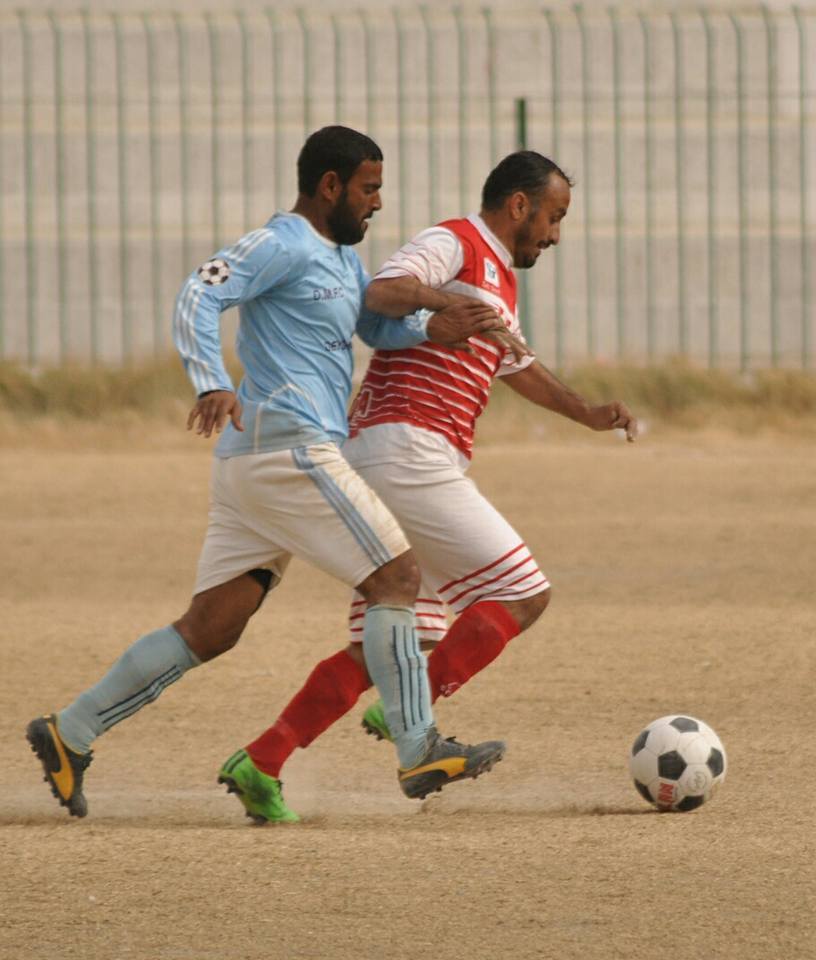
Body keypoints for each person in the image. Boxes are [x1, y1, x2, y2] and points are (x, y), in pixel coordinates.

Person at [25, 125, 511, 822]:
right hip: (290, 449)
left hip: (256, 467)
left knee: (211, 627)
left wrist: (437, 327)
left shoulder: (344, 261)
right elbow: (199, 292)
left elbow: (372, 331)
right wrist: (208, 381)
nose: (378, 202)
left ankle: (70, 733)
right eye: (369, 188)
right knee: (397, 580)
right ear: (329, 186)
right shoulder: (280, 243)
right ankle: (418, 746)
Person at [226, 150, 638, 821]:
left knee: (385, 646)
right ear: (519, 206)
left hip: (389, 453)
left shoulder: (498, 282)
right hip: (406, 448)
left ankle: (263, 760)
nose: (557, 234)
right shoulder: (456, 242)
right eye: (555, 217)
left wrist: (587, 414)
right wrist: (447, 298)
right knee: (524, 592)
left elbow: (519, 365)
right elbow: (380, 292)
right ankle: (412, 718)